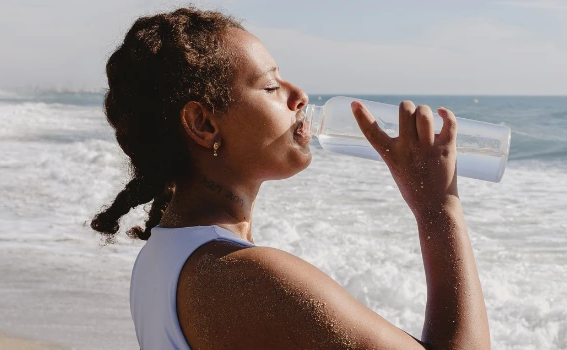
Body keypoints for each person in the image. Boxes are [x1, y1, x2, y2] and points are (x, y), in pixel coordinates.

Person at [90, 7, 490, 350]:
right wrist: (438, 206)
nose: (298, 95)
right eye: (270, 86)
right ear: (203, 124)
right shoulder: (245, 276)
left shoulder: (162, 256)